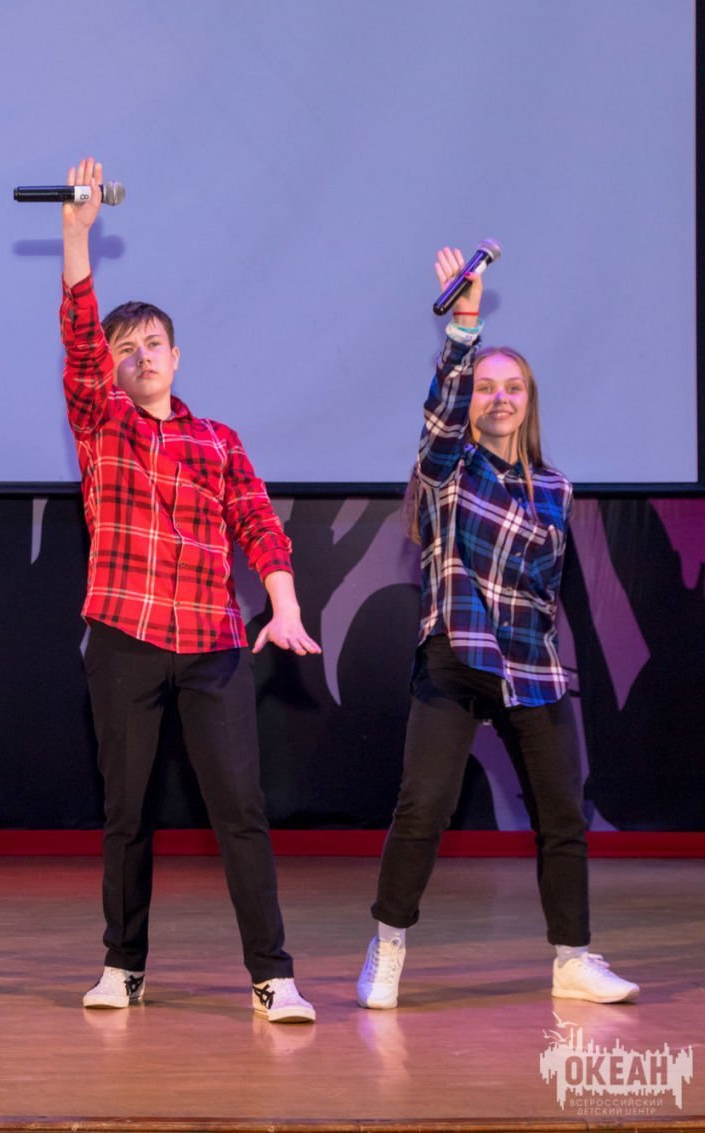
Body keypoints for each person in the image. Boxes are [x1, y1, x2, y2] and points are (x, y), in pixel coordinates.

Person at [59, 158, 319, 1022]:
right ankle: (123, 965)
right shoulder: (101, 424)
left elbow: (259, 524)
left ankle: (272, 974)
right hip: (125, 637)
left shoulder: (218, 439)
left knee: (239, 807)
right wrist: (76, 235)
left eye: (153, 345)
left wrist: (283, 604)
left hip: (213, 644)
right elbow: (79, 341)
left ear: (176, 355)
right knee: (127, 810)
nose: (141, 358)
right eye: (125, 350)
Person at [355, 246, 640, 1009]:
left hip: (531, 666)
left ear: (529, 401)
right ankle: (388, 944)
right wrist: (465, 326)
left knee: (562, 813)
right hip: (456, 653)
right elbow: (441, 418)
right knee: (425, 805)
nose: (499, 397)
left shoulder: (555, 489)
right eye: (487, 387)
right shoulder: (447, 468)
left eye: (512, 388)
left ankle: (571, 958)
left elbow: (548, 594)